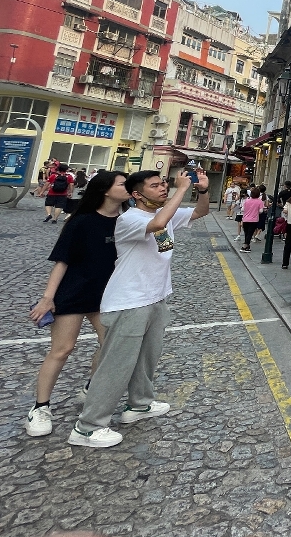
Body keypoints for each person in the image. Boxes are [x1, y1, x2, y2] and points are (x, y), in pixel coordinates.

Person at [68, 167, 211, 448]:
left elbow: (200, 212)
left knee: (147, 359)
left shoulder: (164, 214)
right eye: (155, 185)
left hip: (155, 298)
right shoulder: (130, 219)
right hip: (129, 302)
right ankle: (88, 427)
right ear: (136, 195)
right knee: (116, 365)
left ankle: (139, 404)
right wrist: (182, 189)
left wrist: (203, 190)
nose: (163, 188)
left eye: (164, 184)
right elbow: (158, 224)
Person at [23, 171, 130, 437]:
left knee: (110, 347)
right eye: (122, 184)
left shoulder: (129, 220)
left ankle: (91, 387)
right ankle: (40, 408)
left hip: (107, 296)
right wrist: (48, 298)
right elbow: (62, 261)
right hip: (74, 292)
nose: (127, 187)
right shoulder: (81, 221)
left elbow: (158, 242)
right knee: (62, 350)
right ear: (105, 190)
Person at [239, 186, 264, 252]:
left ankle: (247, 246)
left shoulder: (247, 200)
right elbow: (261, 211)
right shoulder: (260, 202)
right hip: (254, 220)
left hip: (245, 219)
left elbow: (242, 209)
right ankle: (244, 246)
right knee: (250, 233)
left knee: (246, 233)